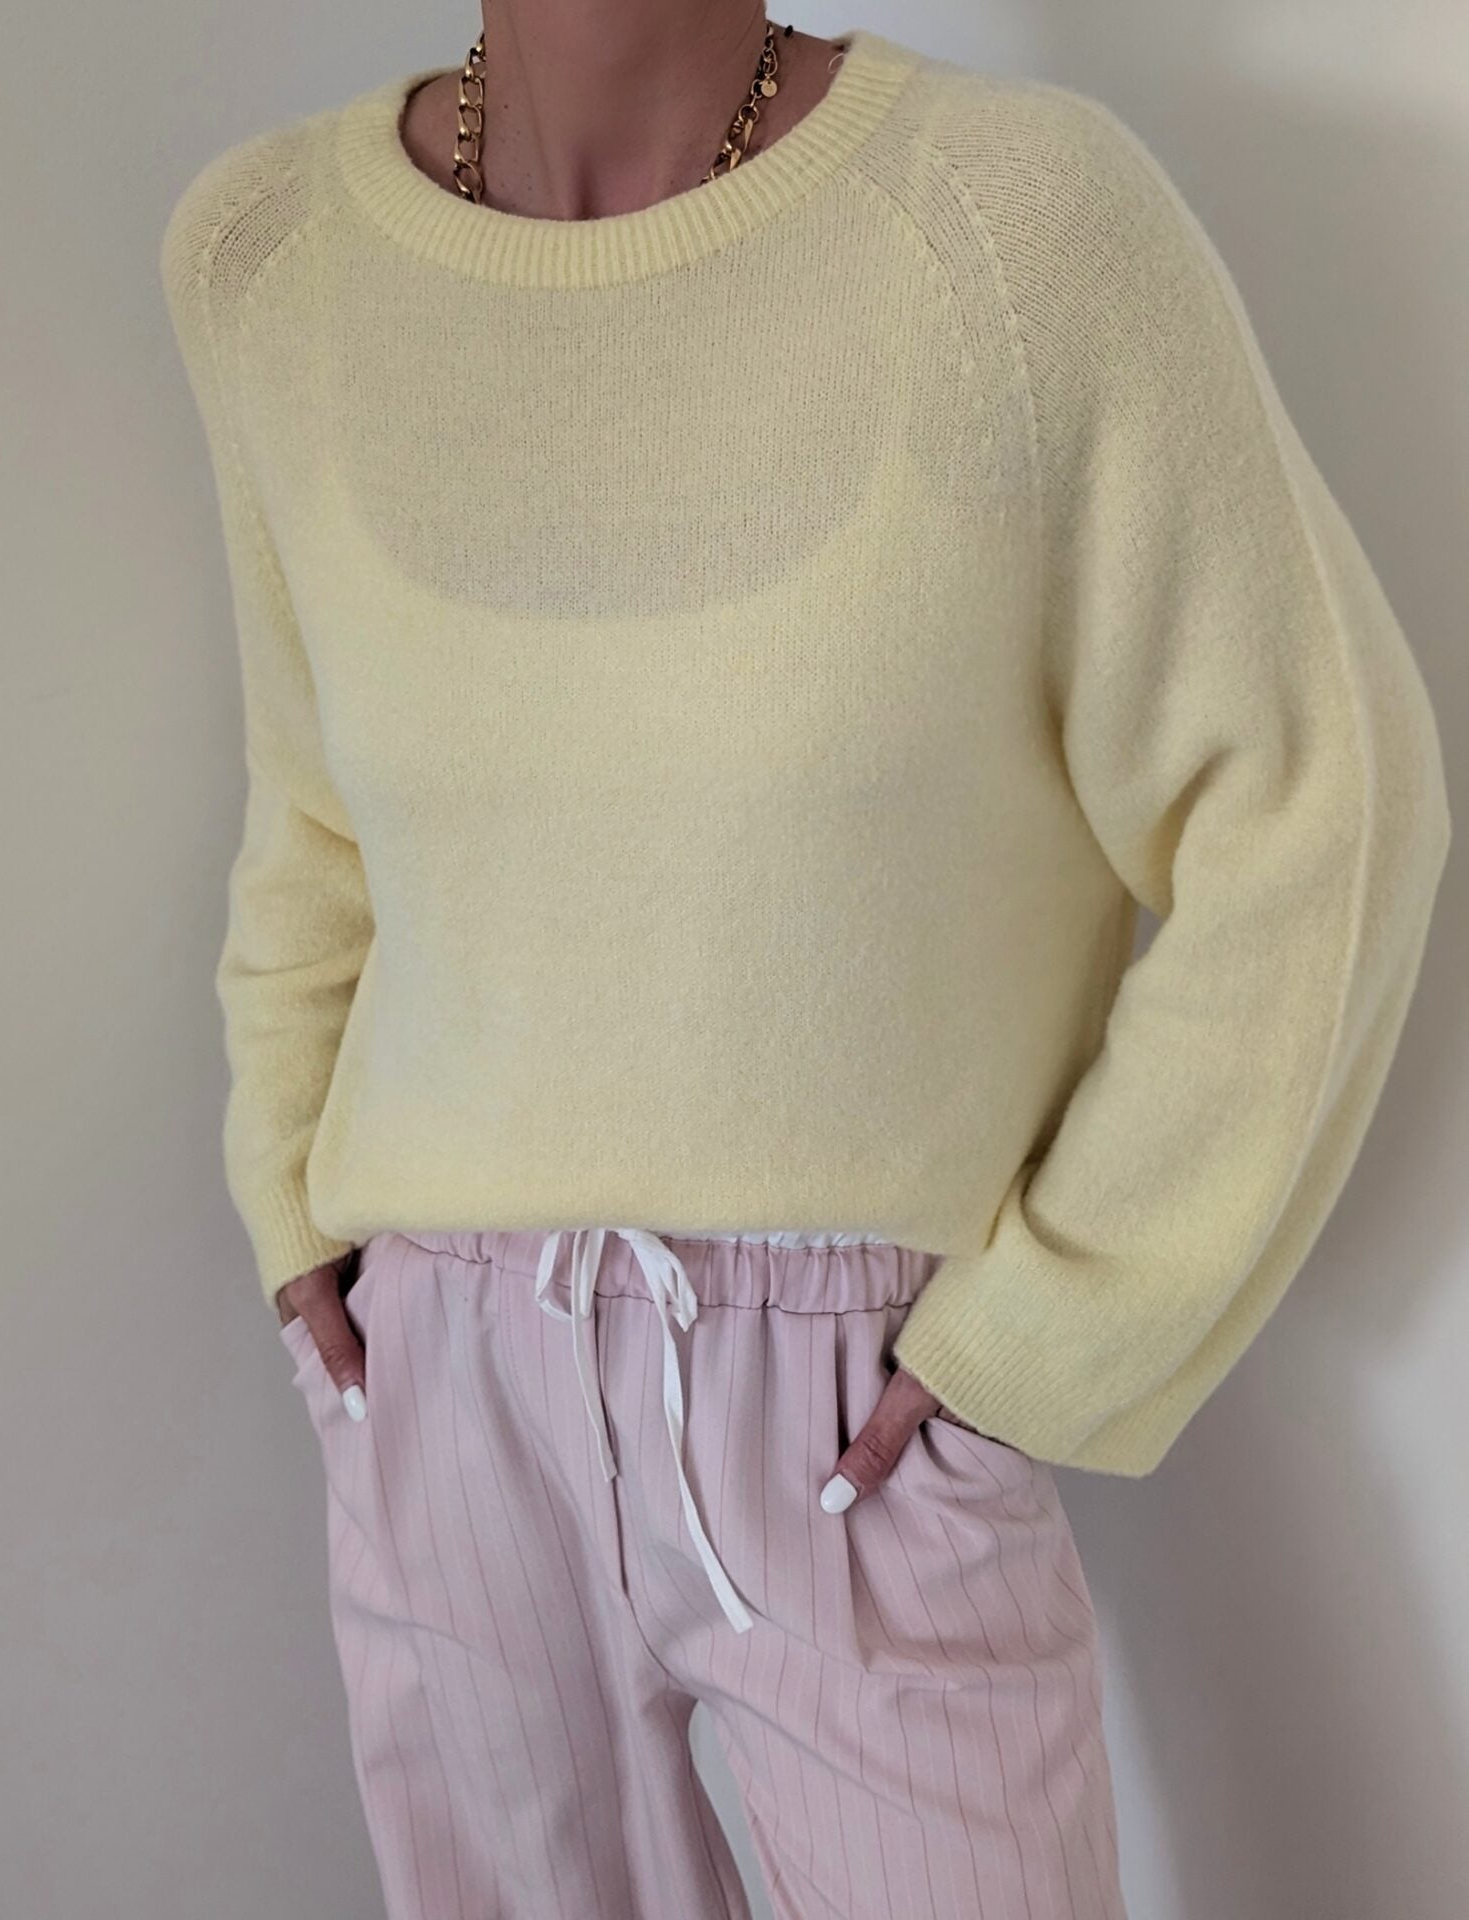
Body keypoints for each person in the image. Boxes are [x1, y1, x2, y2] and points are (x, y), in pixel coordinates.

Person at [158, 7, 1451, 1916]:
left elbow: (1310, 802)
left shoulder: (1015, 224)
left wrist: (1047, 1338)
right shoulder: (264, 253)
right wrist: (292, 1204)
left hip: (858, 1413)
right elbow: (319, 814)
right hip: (441, 1375)